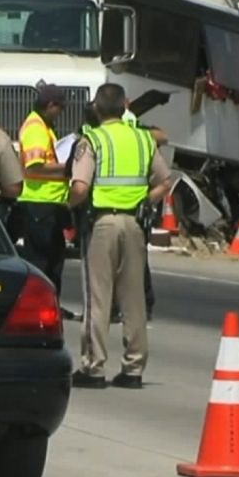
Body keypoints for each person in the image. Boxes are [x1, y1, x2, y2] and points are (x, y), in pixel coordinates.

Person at [69, 83, 173, 389]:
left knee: (98, 298)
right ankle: (133, 369)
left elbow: (80, 188)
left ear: (97, 109)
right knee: (133, 299)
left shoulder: (93, 140)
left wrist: (68, 206)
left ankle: (93, 367)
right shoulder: (143, 139)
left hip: (102, 224)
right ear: (124, 108)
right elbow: (166, 181)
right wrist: (145, 202)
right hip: (134, 226)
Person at [17, 85, 74, 318]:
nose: (59, 114)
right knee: (42, 262)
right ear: (51, 106)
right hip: (39, 203)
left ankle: (49, 305)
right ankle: (38, 308)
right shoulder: (36, 129)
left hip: (49, 203)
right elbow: (35, 166)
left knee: (53, 260)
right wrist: (69, 166)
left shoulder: (43, 127)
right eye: (59, 109)